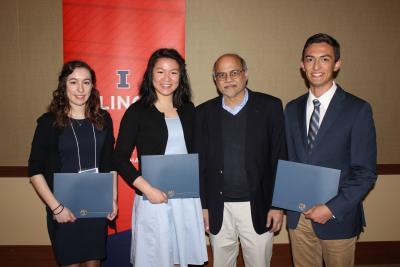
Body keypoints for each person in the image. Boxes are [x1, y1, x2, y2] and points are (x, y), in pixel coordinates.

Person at [284, 33, 377, 267]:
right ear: (301, 64)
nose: (316, 66)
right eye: (310, 59)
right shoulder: (291, 109)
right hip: (299, 217)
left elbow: (365, 173)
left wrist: (331, 208)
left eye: (324, 59)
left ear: (337, 64)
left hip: (338, 217)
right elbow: (287, 160)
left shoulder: (357, 109)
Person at [114, 48, 208, 267]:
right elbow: (118, 157)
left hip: (187, 198)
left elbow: (198, 157)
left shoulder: (189, 110)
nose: (167, 78)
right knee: (155, 258)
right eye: (160, 71)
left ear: (181, 76)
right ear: (151, 74)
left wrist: (204, 203)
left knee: (180, 258)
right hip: (153, 198)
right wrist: (147, 189)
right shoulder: (137, 111)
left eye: (174, 72)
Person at [194, 53, 287, 267]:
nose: (228, 79)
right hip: (219, 207)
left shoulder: (270, 107)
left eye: (234, 72)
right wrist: (203, 207)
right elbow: (200, 164)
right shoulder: (204, 113)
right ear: (215, 80)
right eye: (221, 75)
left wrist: (277, 205)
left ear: (245, 74)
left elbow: (279, 158)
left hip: (259, 206)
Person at [28, 60, 118, 267]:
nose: (80, 89)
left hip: (95, 206)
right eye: (73, 82)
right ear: (63, 86)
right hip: (63, 207)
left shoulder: (103, 118)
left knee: (93, 263)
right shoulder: (47, 122)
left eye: (86, 83)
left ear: (92, 87)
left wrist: (111, 198)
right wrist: (56, 209)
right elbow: (35, 170)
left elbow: (108, 164)